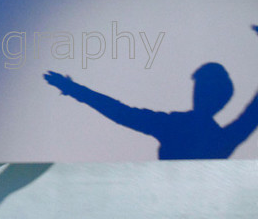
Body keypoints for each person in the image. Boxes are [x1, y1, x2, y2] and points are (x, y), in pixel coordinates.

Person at [44, 31, 258, 159]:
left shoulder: (177, 126)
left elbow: (120, 112)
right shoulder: (205, 132)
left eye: (205, 89)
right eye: (201, 88)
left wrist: (72, 89)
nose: (200, 93)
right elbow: (120, 112)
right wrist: (73, 89)